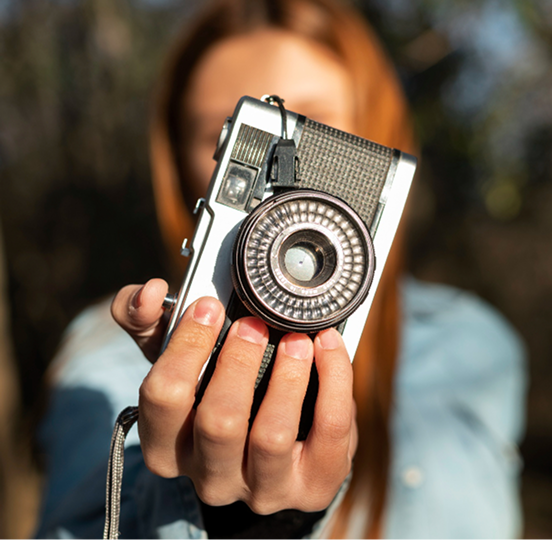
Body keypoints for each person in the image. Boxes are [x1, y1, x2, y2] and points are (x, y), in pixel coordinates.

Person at [33, 0, 527, 539]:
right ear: (184, 167)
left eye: (312, 126)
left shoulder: (470, 346)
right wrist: (219, 513)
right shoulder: (105, 359)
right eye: (230, 134)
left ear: (377, 132)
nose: (282, 170)